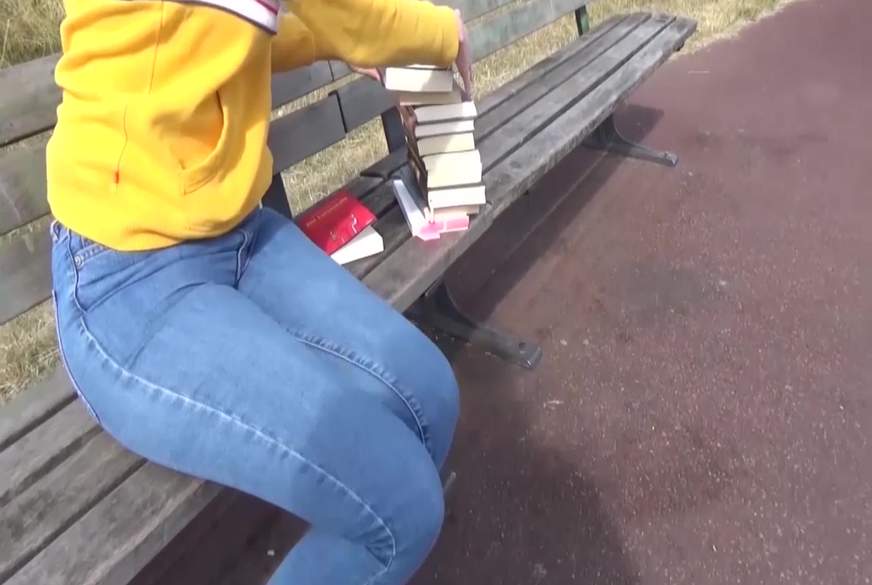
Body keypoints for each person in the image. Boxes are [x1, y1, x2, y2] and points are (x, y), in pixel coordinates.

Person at [47, 0, 473, 583]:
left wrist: (336, 42)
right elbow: (350, 13)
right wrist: (442, 32)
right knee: (402, 511)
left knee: (430, 396)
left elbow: (222, 37)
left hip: (240, 236)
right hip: (128, 277)